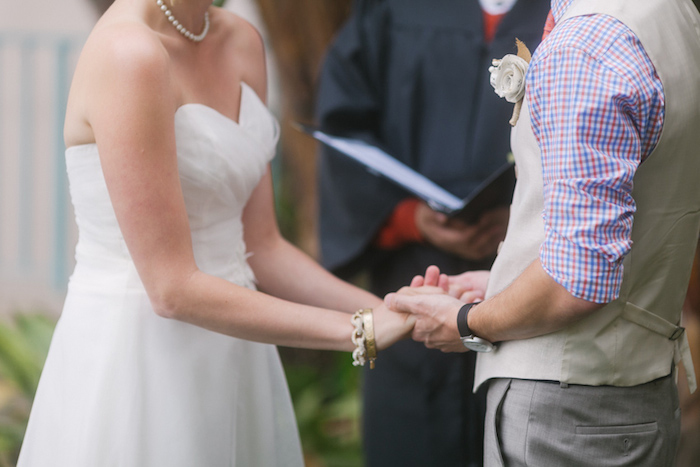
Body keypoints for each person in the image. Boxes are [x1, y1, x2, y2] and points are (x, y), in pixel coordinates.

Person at [16, 1, 414, 466]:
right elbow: (171, 288)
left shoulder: (242, 40)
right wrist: (360, 330)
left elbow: (262, 246)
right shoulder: (130, 54)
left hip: (237, 357)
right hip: (141, 363)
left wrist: (395, 309)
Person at [385, 0, 700, 465]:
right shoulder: (674, 13)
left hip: (567, 415)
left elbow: (576, 282)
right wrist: (504, 283)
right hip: (642, 391)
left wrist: (466, 322)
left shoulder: (586, 45)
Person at [315, 0, 549, 465]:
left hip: (529, 302)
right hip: (412, 289)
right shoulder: (392, 10)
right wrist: (408, 218)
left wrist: (523, 217)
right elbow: (343, 130)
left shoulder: (572, 14)